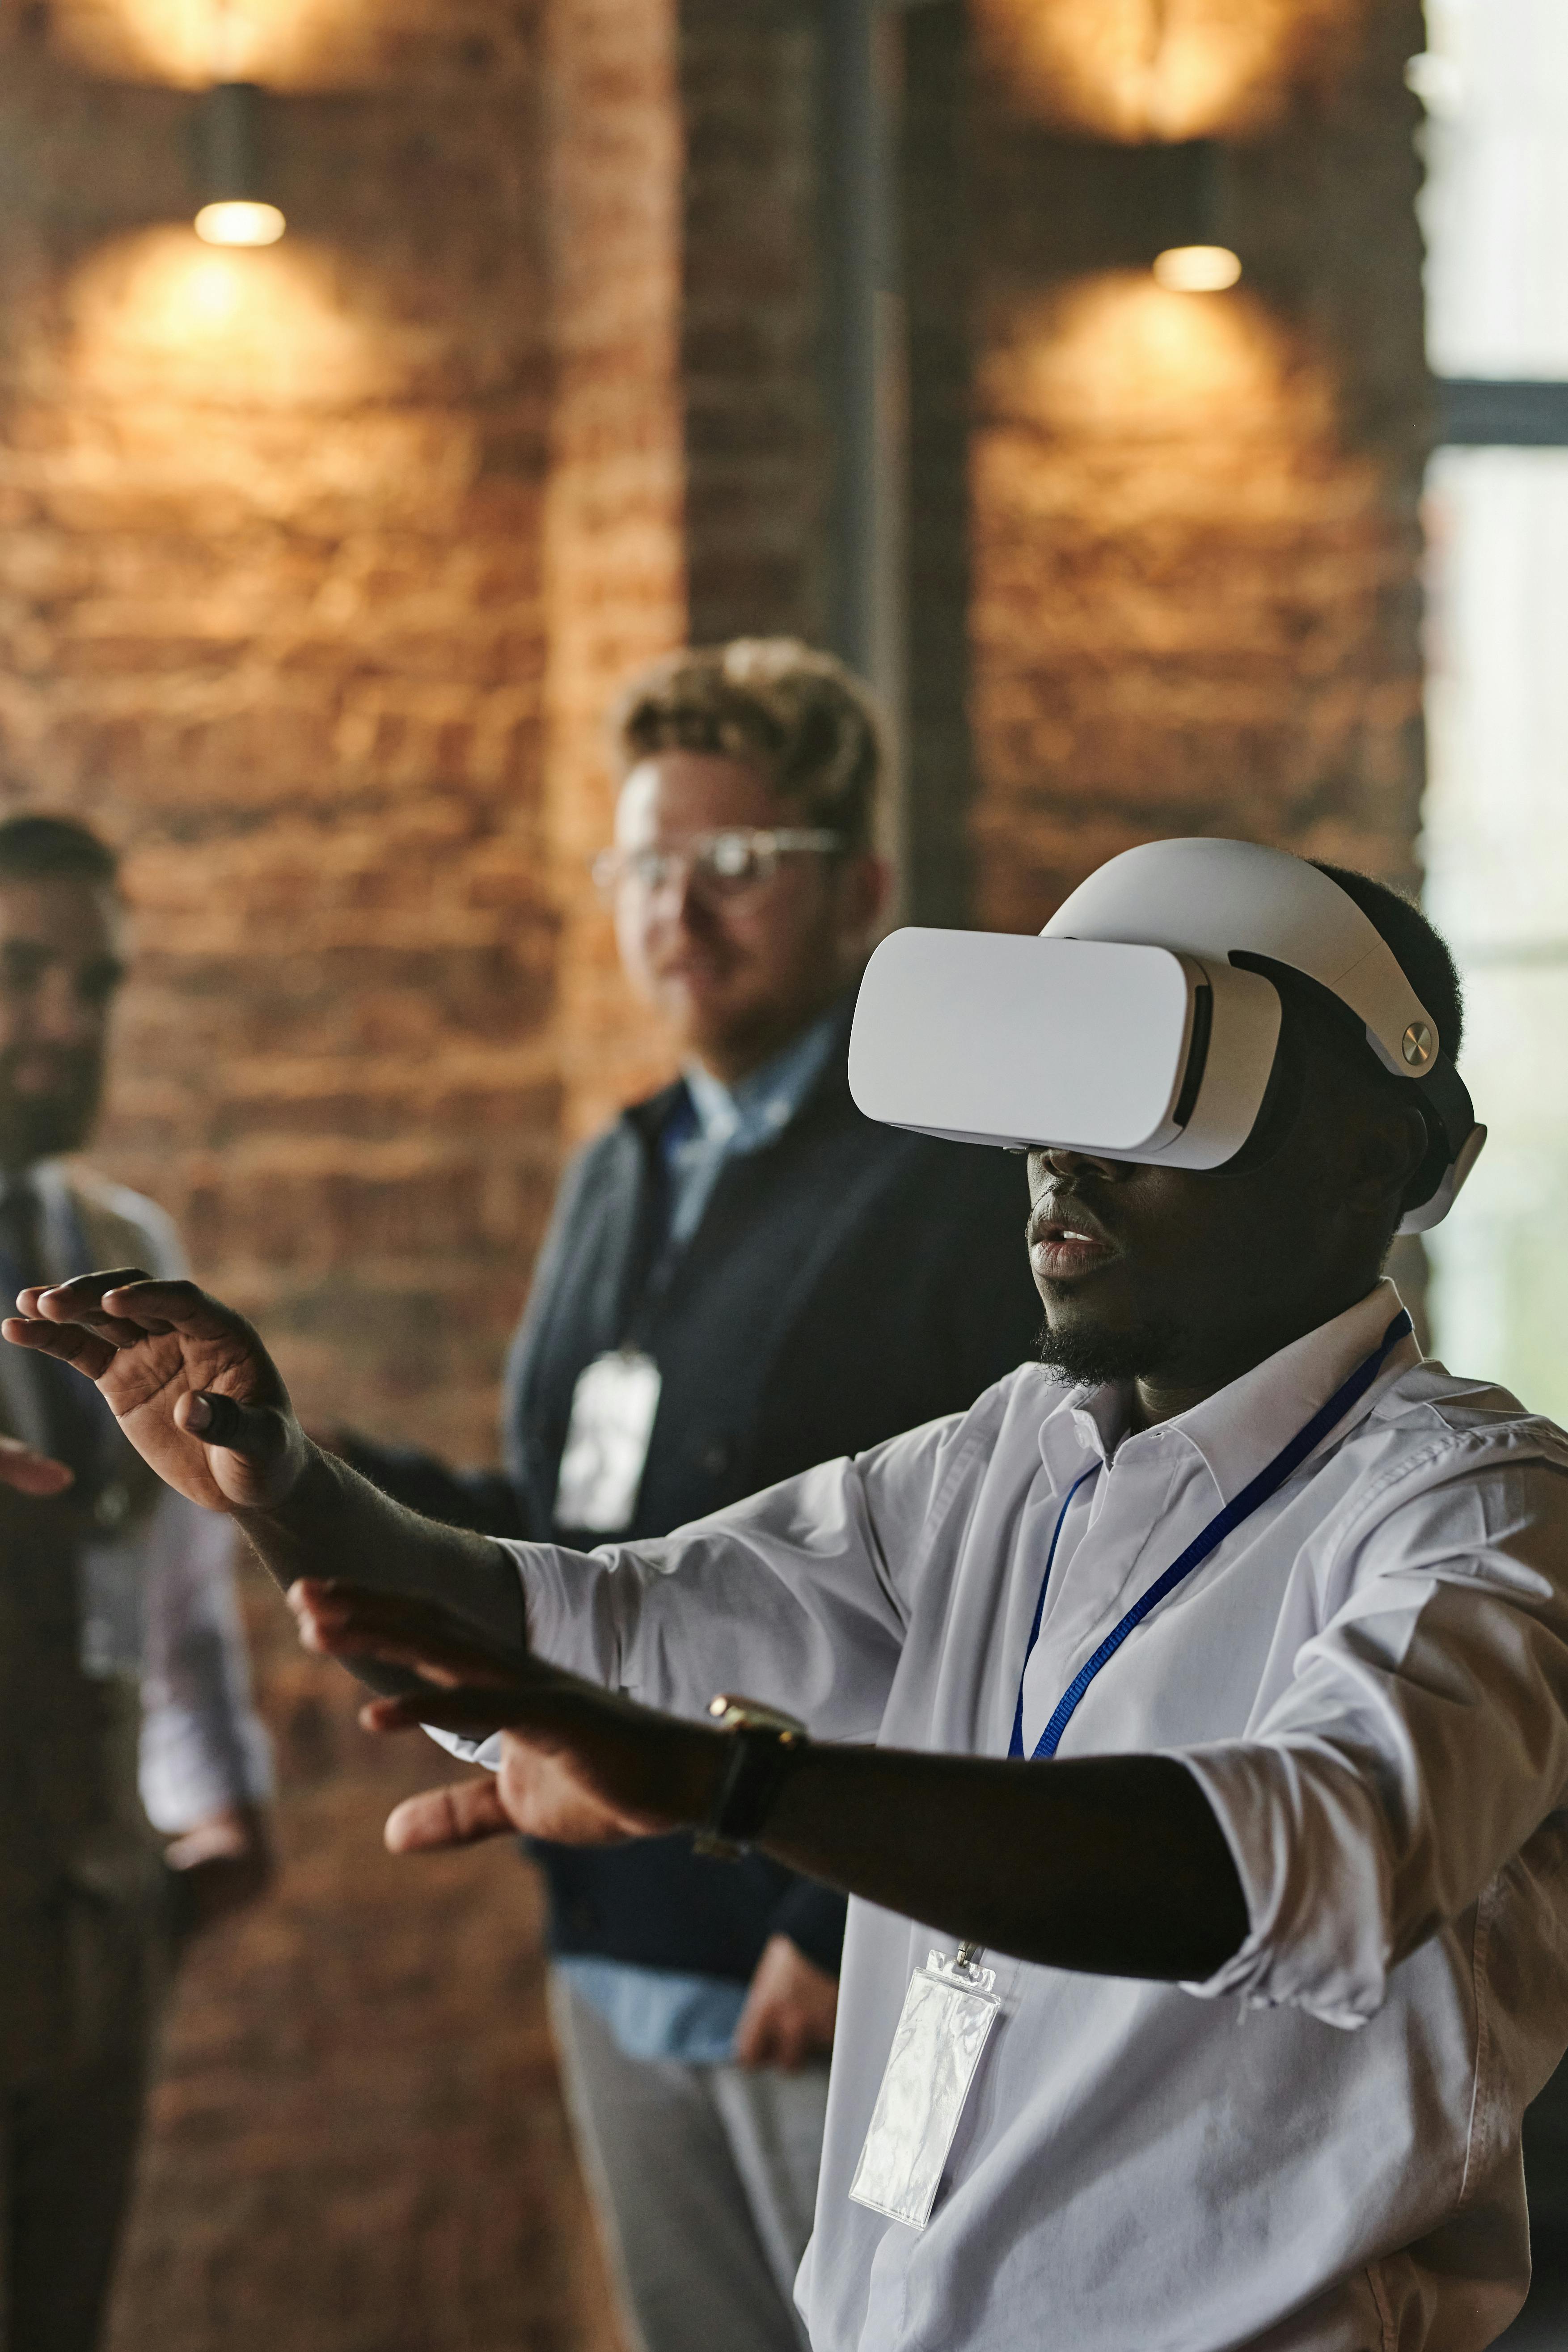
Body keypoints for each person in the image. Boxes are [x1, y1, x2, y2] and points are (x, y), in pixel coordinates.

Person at [13, 842, 1568, 2352]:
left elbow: (1305, 1857)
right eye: (1059, 1083)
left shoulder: (1473, 1509)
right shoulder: (1003, 1459)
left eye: (1158, 1089)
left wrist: (736, 1783)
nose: (1063, 1156)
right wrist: (285, 1488)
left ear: (1377, 1157)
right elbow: (600, 1628)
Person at [330, 640, 1042, 2352]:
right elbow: (573, 1523)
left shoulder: (952, 1176)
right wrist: (277, 1459)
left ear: (857, 888)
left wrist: (840, 1913)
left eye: (734, 862)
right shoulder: (626, 1161)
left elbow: (1017, 1580)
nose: (678, 908)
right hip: (616, 1922)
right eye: (647, 863)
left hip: (839, 1941)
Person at [0, 814, 272, 2352]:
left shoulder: (125, 1251)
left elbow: (173, 1584)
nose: (64, 1020)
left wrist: (219, 1796)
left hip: (95, 1917)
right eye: (20, 973)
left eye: (93, 983)